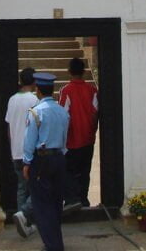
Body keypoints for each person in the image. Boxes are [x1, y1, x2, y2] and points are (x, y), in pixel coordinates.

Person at [22, 72, 70, 251]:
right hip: (58, 157)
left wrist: (27, 163)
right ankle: (55, 241)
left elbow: (29, 141)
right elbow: (65, 138)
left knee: (42, 204)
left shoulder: (36, 112)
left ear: (38, 90)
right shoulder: (62, 112)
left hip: (41, 160)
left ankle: (53, 245)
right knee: (56, 202)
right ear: (52, 90)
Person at [58, 57, 99, 207]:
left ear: (69, 71)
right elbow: (95, 113)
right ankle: (83, 198)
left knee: (69, 172)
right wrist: (92, 131)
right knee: (85, 170)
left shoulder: (66, 90)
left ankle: (72, 199)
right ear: (84, 71)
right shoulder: (92, 90)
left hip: (72, 140)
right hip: (88, 138)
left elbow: (63, 115)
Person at [6, 67, 38, 238]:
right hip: (30, 151)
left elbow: (9, 127)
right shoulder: (34, 100)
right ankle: (25, 216)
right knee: (36, 188)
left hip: (16, 151)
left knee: (21, 188)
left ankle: (22, 218)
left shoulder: (12, 100)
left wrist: (13, 148)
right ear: (34, 82)